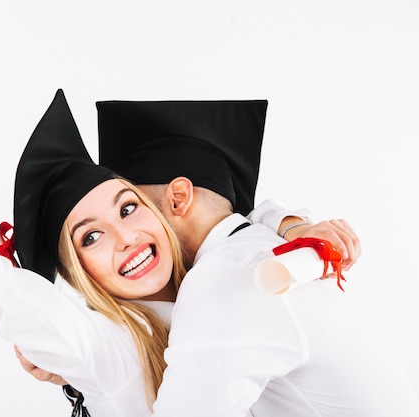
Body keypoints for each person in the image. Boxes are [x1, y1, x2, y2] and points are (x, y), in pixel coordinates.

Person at [0, 59, 319, 417]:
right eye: (91, 237)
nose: (124, 237)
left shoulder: (226, 286)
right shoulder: (108, 346)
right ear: (77, 272)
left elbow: (242, 221)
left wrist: (294, 225)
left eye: (127, 207)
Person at [94, 98, 419, 415]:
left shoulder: (223, 279)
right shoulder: (257, 247)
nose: (125, 238)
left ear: (178, 198)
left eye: (130, 209)